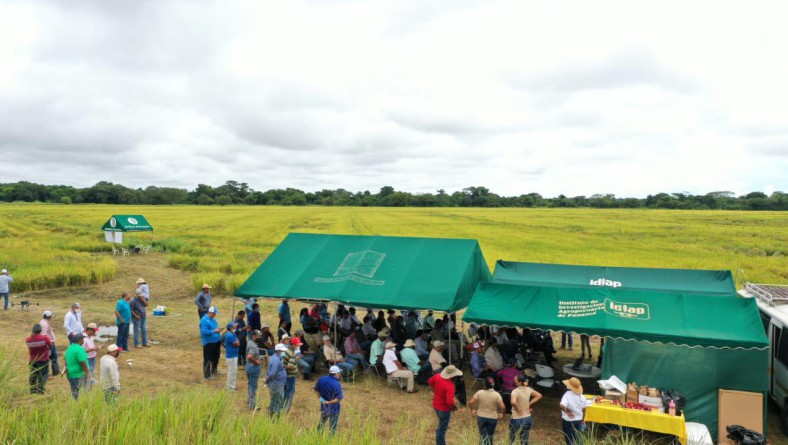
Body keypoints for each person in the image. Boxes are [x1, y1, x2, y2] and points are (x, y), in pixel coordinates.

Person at [429, 365, 462, 445]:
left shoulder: (437, 376)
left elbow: (430, 381)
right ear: (453, 375)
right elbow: (449, 401)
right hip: (444, 409)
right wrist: (454, 406)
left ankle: (439, 434)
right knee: (443, 429)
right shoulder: (450, 386)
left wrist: (434, 391)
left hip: (436, 405)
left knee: (441, 424)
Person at [469, 377, 505, 445]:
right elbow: (503, 407)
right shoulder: (497, 394)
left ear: (484, 384)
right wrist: (502, 414)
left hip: (481, 417)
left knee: (482, 435)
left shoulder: (479, 392)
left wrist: (473, 410)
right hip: (492, 418)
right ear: (493, 384)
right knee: (490, 436)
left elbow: (470, 402)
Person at [510, 375, 542, 445]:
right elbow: (539, 395)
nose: (514, 381)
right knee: (524, 439)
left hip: (516, 418)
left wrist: (517, 409)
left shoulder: (515, 391)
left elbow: (513, 402)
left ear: (519, 382)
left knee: (512, 439)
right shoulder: (529, 389)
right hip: (527, 418)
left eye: (515, 380)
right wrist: (529, 404)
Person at [314, 366, 344, 434]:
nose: (339, 374)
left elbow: (316, 391)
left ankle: (318, 436)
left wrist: (322, 400)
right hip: (334, 407)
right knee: (333, 426)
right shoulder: (337, 384)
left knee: (322, 421)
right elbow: (339, 398)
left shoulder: (321, 379)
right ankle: (330, 440)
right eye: (338, 373)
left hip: (324, 405)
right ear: (336, 374)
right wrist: (330, 402)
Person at [26, 323, 52, 394]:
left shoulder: (28, 339)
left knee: (33, 374)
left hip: (33, 360)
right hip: (43, 359)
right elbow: (50, 346)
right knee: (43, 375)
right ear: (40, 330)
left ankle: (32, 389)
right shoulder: (45, 338)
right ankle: (40, 390)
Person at [62, 333, 90, 400]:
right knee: (84, 391)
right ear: (80, 340)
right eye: (83, 338)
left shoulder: (70, 347)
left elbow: (65, 359)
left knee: (74, 390)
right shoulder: (80, 349)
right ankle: (81, 404)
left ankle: (75, 403)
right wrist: (87, 373)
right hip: (78, 375)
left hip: (70, 374)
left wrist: (65, 369)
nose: (83, 340)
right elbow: (83, 362)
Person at [560, 377, 586, 445]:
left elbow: (562, 406)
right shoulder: (582, 397)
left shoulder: (567, 395)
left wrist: (567, 411)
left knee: (569, 439)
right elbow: (584, 409)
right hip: (579, 420)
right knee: (579, 438)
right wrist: (583, 419)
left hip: (568, 420)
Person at [265, 344, 287, 417]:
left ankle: (271, 415)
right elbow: (273, 373)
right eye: (282, 351)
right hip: (277, 384)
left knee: (274, 400)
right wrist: (267, 379)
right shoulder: (276, 360)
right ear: (278, 351)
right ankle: (277, 417)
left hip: (277, 383)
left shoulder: (276, 358)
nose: (284, 352)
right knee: (279, 401)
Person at [200, 307, 223, 379]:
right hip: (209, 343)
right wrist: (214, 331)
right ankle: (207, 375)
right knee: (208, 359)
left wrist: (218, 329)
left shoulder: (214, 319)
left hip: (216, 341)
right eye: (214, 313)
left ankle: (214, 370)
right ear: (210, 312)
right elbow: (203, 331)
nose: (215, 315)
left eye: (215, 314)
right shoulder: (204, 320)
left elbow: (215, 328)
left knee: (216, 357)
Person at [245, 330, 263, 410]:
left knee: (250, 384)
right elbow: (250, 356)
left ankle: (249, 400)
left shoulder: (250, 342)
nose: (260, 337)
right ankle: (253, 405)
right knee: (253, 386)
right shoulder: (253, 346)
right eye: (258, 336)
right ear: (254, 336)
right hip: (253, 367)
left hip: (248, 366)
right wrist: (256, 362)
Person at [280, 337, 298, 411]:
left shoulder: (285, 350)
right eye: (297, 345)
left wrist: (282, 367)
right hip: (290, 376)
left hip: (284, 375)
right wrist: (286, 367)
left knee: (284, 390)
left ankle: (282, 405)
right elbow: (290, 366)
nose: (298, 346)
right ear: (293, 345)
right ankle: (286, 408)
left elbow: (281, 359)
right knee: (290, 392)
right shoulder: (292, 353)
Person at [224, 322, 240, 391]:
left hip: (234, 355)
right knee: (231, 372)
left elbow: (238, 342)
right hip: (231, 356)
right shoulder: (229, 335)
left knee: (234, 371)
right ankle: (230, 388)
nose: (235, 327)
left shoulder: (233, 333)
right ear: (231, 328)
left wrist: (237, 343)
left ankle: (232, 386)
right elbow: (237, 343)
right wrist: (237, 343)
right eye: (234, 326)